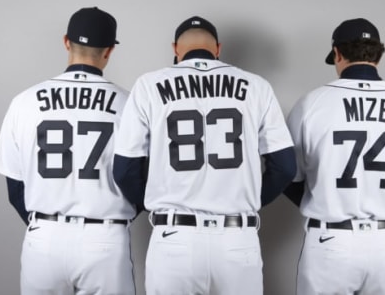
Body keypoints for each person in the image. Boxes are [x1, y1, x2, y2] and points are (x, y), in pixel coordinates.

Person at [113, 16, 296, 295]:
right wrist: (248, 199)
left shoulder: (149, 85)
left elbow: (125, 169)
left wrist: (155, 202)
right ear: (218, 48)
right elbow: (284, 166)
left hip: (174, 237)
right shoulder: (256, 86)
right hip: (237, 237)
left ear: (176, 48)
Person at [285, 18, 385, 295]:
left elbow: (286, 173)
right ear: (379, 54)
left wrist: (322, 199)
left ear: (338, 54)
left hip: (330, 240)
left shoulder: (312, 104)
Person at [0, 7, 137, 294]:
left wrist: (48, 226)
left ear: (66, 42)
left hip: (43, 238)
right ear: (109, 51)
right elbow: (139, 179)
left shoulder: (24, 102)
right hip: (105, 238)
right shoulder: (129, 104)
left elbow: (14, 187)